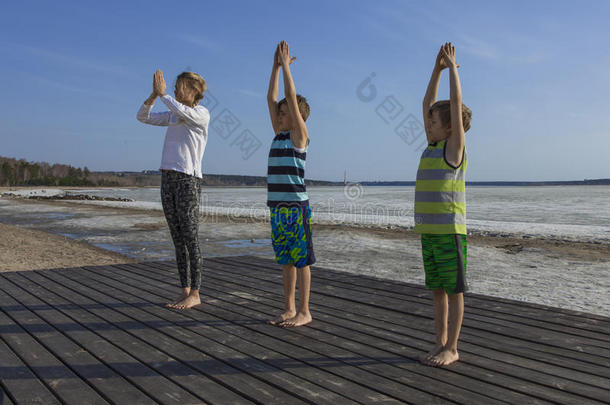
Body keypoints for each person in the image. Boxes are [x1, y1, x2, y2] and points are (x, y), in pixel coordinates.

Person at [416, 43, 472, 366]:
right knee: (437, 291)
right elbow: (427, 102)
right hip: (430, 234)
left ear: (450, 127)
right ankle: (439, 343)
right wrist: (435, 69)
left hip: (450, 232)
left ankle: (453, 347)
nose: (428, 125)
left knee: (454, 290)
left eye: (434, 122)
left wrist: (452, 70)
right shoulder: (431, 147)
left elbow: (457, 103)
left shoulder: (453, 150)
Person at [137, 69, 210, 309]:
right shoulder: (173, 114)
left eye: (181, 86)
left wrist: (164, 94)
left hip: (188, 180)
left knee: (190, 237)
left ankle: (196, 293)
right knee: (177, 239)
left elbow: (182, 111)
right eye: (176, 86)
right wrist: (153, 95)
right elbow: (142, 117)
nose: (177, 90)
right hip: (167, 178)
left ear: (194, 91)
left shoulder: (201, 113)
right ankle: (184, 290)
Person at [266, 41, 315, 328]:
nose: (279, 115)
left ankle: (305, 311)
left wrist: (286, 67)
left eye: (285, 113)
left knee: (302, 261)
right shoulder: (278, 134)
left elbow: (287, 96)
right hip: (278, 208)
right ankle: (288, 307)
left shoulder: (299, 136)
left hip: (297, 208)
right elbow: (271, 99)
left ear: (296, 116)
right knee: (285, 260)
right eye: (280, 113)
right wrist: (274, 68)